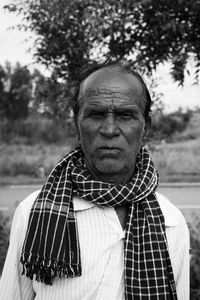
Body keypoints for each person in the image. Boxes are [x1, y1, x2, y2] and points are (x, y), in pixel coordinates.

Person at [0, 60, 190, 300]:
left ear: (146, 129)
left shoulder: (171, 223)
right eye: (96, 115)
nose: (109, 129)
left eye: (125, 115)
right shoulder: (34, 212)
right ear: (77, 127)